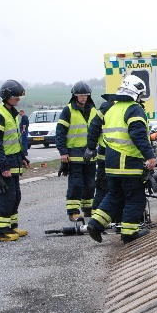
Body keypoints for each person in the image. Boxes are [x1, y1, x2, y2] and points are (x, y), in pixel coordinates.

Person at [85, 75, 156, 244]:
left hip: (111, 162)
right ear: (137, 94)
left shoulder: (112, 108)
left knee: (114, 195)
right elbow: (138, 135)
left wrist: (90, 146)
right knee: (135, 198)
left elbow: (95, 127)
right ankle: (129, 234)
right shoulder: (134, 109)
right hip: (129, 162)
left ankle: (95, 224)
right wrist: (150, 156)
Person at [0, 80, 30, 242]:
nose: (18, 100)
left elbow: (13, 140)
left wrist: (22, 157)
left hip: (13, 161)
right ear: (6, 96)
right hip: (2, 164)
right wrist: (2, 166)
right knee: (5, 196)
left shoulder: (11, 112)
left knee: (15, 195)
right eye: (15, 97)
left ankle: (11, 226)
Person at [56, 82, 98, 220]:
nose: (83, 98)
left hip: (90, 154)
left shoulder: (93, 110)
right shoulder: (68, 110)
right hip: (73, 155)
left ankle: (88, 208)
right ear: (75, 96)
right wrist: (63, 152)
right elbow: (60, 132)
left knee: (90, 183)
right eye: (81, 95)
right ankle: (73, 211)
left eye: (86, 95)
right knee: (76, 184)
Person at [87, 93, 115, 211]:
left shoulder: (107, 108)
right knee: (104, 185)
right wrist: (91, 147)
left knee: (107, 186)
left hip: (111, 153)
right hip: (107, 154)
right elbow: (94, 127)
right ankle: (97, 214)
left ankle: (100, 213)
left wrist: (91, 147)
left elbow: (93, 127)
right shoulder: (107, 108)